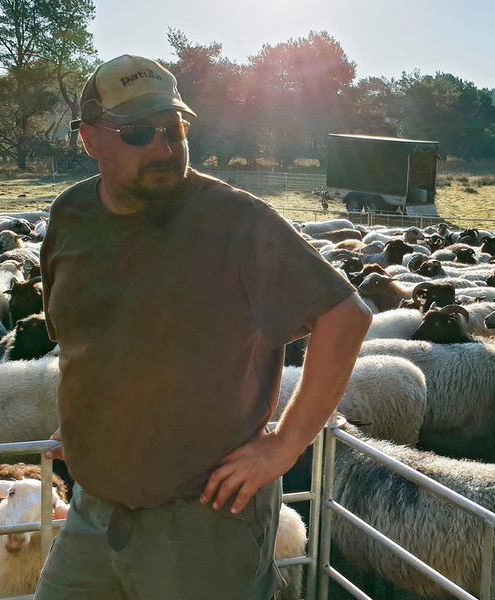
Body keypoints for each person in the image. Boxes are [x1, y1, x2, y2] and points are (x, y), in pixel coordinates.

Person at [35, 54, 372, 599]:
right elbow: (88, 342)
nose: (165, 150)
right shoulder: (71, 217)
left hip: (202, 524)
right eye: (139, 133)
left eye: (175, 130)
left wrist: (285, 444)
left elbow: (345, 314)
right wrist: (84, 424)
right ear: (91, 140)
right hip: (93, 512)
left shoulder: (233, 220)